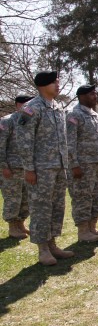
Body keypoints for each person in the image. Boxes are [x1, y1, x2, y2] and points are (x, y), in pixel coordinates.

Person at [16, 71, 74, 265]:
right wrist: (29, 168)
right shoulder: (31, 108)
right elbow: (24, 141)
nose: (58, 86)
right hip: (41, 169)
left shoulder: (57, 107)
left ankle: (52, 244)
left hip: (58, 167)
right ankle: (42, 249)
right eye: (54, 83)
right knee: (41, 208)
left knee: (57, 207)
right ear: (43, 85)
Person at [66, 84, 98, 243]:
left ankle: (92, 228)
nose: (95, 96)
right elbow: (69, 143)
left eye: (95, 93)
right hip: (82, 166)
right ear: (82, 96)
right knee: (82, 198)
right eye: (92, 94)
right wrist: (74, 165)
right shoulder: (74, 115)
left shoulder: (95, 116)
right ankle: (83, 232)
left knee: (97, 197)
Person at [0, 95, 33, 239]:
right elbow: (0, 146)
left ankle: (20, 224)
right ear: (18, 105)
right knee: (13, 198)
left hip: (27, 168)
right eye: (26, 104)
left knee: (25, 199)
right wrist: (4, 166)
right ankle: (12, 227)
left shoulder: (27, 121)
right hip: (12, 168)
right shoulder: (7, 121)